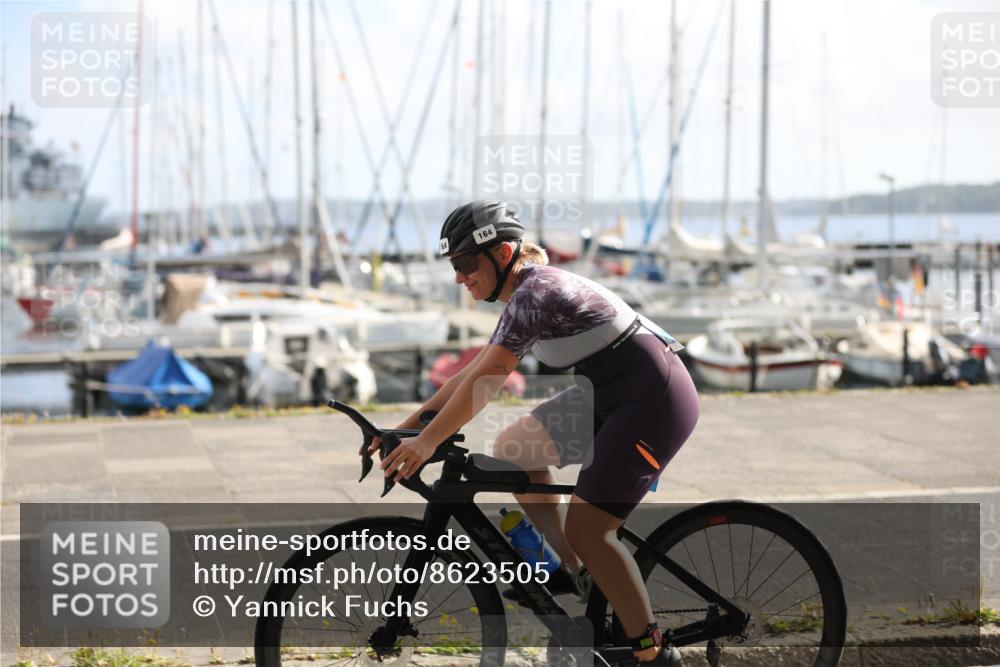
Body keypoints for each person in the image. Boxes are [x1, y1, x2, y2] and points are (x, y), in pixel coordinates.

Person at [373, 201, 699, 665]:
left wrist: (426, 442)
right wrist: (405, 428)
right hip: (608, 390)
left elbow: (488, 381)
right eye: (454, 266)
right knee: (513, 451)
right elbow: (472, 374)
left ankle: (653, 654)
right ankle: (581, 573)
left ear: (503, 253)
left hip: (653, 397)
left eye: (466, 264)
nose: (459, 277)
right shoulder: (524, 292)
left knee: (592, 530)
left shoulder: (535, 294)